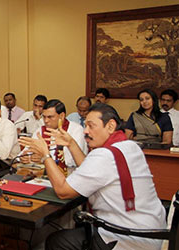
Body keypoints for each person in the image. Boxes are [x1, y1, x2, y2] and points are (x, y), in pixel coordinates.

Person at [19, 103, 166, 250]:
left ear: (110, 126)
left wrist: (45, 155)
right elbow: (91, 168)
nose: (85, 131)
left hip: (126, 236)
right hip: (152, 231)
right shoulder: (130, 146)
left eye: (91, 126)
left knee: (56, 240)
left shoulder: (104, 155)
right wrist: (71, 143)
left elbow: (63, 191)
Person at [23, 99, 87, 176]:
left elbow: (71, 161)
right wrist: (26, 156)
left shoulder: (76, 129)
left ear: (61, 116)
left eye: (50, 117)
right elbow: (27, 150)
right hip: (43, 174)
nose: (46, 121)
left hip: (69, 175)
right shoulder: (40, 130)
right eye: (44, 117)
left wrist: (44, 158)